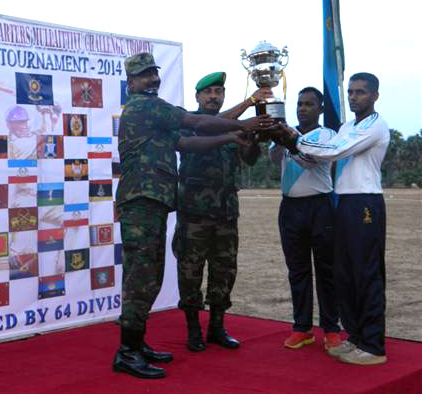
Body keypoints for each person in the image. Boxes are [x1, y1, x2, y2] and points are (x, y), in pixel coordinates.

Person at [113, 53, 273, 379]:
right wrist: (242, 123)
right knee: (141, 278)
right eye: (144, 75)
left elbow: (186, 143)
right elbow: (195, 123)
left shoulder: (153, 116)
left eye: (154, 74)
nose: (152, 80)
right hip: (141, 201)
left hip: (152, 201)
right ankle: (127, 352)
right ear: (131, 83)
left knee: (150, 275)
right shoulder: (145, 106)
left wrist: (230, 137)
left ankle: (137, 344)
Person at [279, 73, 390, 365]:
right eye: (351, 92)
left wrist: (295, 138)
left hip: (365, 202)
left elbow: (336, 151)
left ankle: (374, 345)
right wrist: (292, 143)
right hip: (344, 202)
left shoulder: (375, 125)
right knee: (346, 274)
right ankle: (355, 337)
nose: (354, 97)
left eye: (361, 93)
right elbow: (322, 157)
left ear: (375, 96)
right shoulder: (348, 126)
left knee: (366, 273)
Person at [172, 71, 270, 352]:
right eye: (209, 92)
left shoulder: (237, 125)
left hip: (226, 213)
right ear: (198, 97)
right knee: (190, 272)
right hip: (194, 214)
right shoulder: (188, 121)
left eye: (219, 92)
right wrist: (250, 102)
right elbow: (209, 127)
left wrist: (253, 140)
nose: (214, 96)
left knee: (224, 271)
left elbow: (249, 160)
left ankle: (216, 327)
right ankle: (193, 328)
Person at [269, 87, 341, 350]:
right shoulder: (288, 133)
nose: (303, 108)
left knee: (326, 270)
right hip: (290, 208)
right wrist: (277, 138)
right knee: (297, 270)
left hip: (320, 206)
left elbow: (311, 161)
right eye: (300, 103)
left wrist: (291, 139)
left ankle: (332, 329)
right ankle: (302, 328)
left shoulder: (327, 135)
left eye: (309, 104)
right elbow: (274, 157)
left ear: (320, 109)